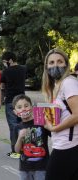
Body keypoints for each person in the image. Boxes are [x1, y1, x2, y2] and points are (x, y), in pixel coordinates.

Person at [41, 48, 78, 180]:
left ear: (66, 64)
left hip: (69, 146)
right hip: (63, 143)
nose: (55, 65)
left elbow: (77, 115)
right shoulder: (56, 86)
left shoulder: (69, 82)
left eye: (59, 61)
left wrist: (54, 128)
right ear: (46, 66)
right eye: (51, 62)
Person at [13, 94, 50, 180]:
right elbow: (16, 150)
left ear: (32, 107)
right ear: (15, 112)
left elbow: (54, 134)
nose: (23, 109)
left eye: (26, 106)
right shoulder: (17, 128)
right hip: (24, 168)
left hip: (42, 166)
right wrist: (20, 138)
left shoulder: (40, 122)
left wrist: (47, 122)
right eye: (19, 107)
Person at [0, 51, 27, 158]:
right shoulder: (24, 69)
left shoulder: (6, 71)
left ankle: (15, 151)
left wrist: (1, 100)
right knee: (24, 125)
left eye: (4, 61)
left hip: (10, 101)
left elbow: (2, 86)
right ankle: (26, 148)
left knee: (13, 126)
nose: (4, 63)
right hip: (23, 101)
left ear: (10, 60)